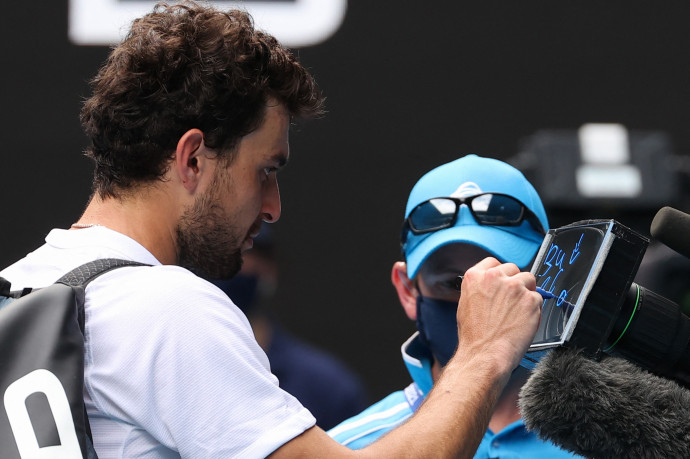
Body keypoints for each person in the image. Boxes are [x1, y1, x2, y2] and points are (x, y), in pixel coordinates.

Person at [0, 2, 543, 457]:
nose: (273, 206)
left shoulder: (22, 287)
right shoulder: (163, 307)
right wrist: (485, 352)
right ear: (192, 159)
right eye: (266, 171)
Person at [329, 154, 581, 458]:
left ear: (549, 279)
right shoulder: (350, 447)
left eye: (501, 277)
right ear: (408, 290)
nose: (478, 302)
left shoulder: (619, 437)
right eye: (455, 283)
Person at [213, 227, 371, 430]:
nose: (233, 267)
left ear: (270, 270)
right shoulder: (171, 374)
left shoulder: (326, 387)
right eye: (218, 254)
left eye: (246, 254)